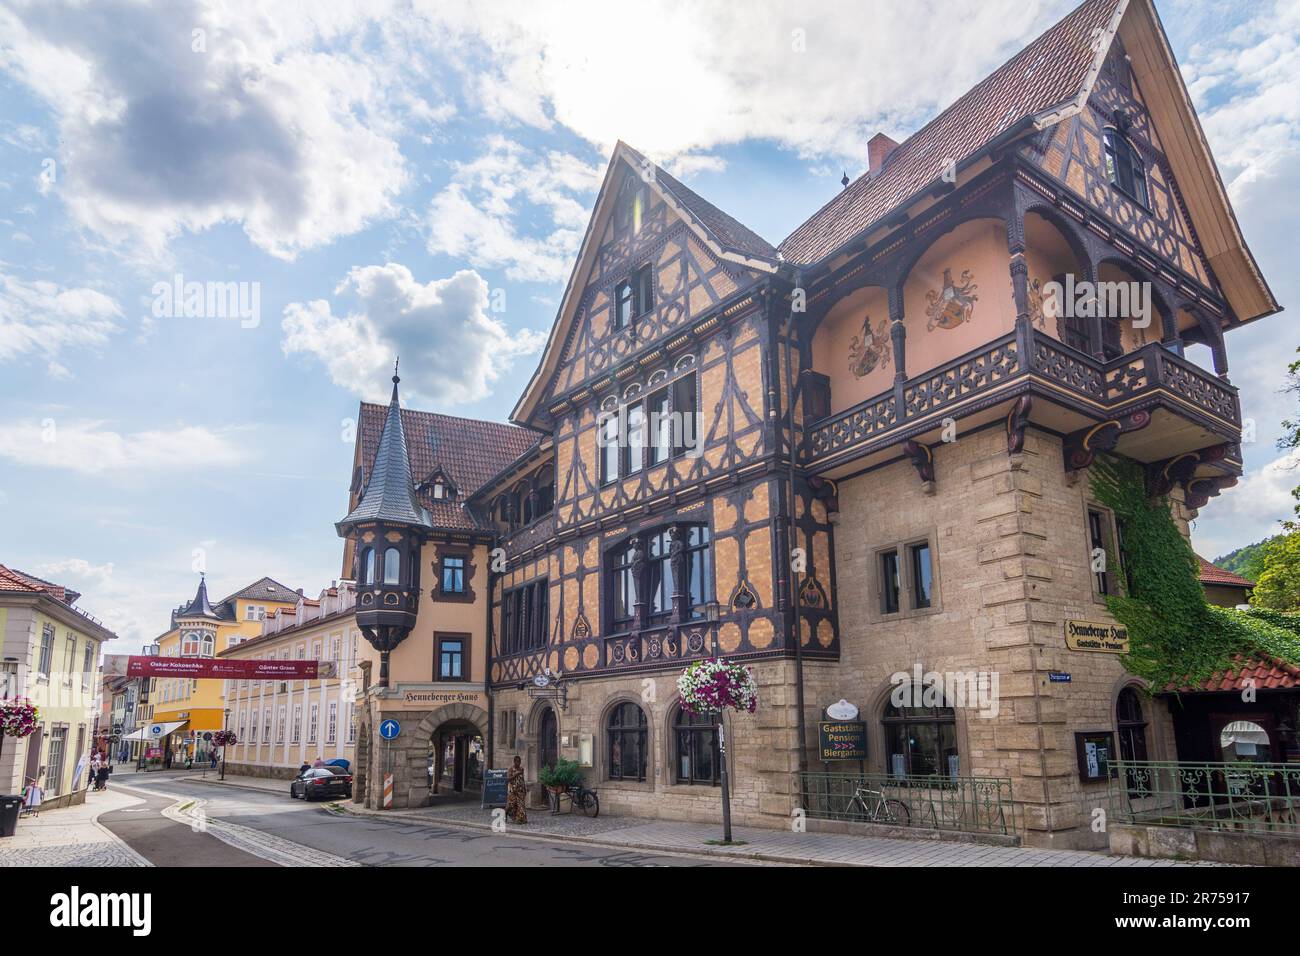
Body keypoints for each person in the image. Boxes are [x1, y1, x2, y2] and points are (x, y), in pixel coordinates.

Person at [506, 755, 527, 825]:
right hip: (512, 790)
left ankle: (520, 819)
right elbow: (508, 779)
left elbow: (522, 779)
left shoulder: (521, 769)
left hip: (520, 790)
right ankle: (506, 812)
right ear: (514, 762)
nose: (518, 763)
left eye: (519, 761)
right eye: (517, 761)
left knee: (521, 805)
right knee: (511, 805)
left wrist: (524, 788)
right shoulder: (511, 769)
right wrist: (515, 774)